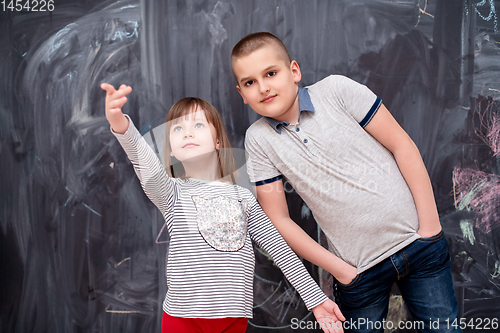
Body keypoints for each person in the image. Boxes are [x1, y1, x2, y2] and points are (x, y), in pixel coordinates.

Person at [230, 32, 459, 332]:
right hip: (358, 272)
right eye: (250, 82)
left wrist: (429, 226)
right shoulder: (259, 139)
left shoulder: (336, 90)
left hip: (418, 244)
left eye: (271, 73)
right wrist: (341, 270)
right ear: (242, 94)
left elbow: (401, 144)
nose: (263, 87)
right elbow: (279, 220)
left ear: (294, 71)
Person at [100, 83, 346, 333]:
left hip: (233, 319)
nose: (188, 133)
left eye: (198, 125)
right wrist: (121, 124)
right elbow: (145, 164)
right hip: (183, 318)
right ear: (172, 149)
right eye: (178, 128)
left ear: (217, 141)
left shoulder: (244, 198)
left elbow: (279, 248)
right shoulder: (172, 193)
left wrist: (315, 298)